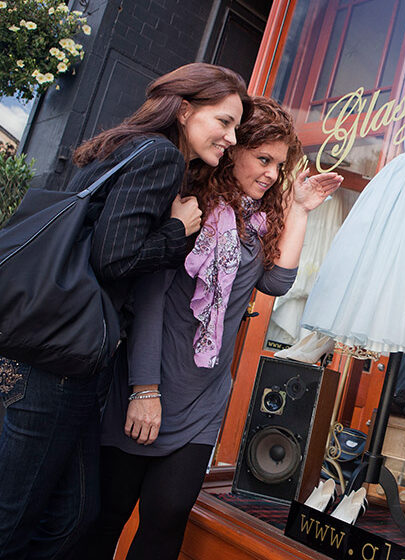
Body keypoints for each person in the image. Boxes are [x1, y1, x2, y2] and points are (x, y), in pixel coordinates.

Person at [0, 62, 252, 560]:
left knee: (73, 516)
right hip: (58, 363)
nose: (230, 138)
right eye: (223, 121)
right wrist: (178, 231)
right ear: (184, 110)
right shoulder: (160, 156)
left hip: (55, 357)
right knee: (15, 515)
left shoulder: (129, 147)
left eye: (236, 128)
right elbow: (114, 258)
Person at [74, 97, 342, 559]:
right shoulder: (189, 209)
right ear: (235, 149)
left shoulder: (255, 222)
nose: (272, 174)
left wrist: (298, 210)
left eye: (279, 165)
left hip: (204, 397)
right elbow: (150, 301)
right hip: (147, 384)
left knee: (167, 520)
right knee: (106, 518)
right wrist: (144, 389)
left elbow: (276, 281)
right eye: (264, 159)